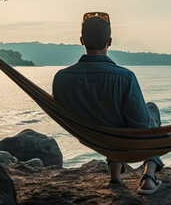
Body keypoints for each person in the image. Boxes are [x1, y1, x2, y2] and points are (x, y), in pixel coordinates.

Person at [52, 12, 163, 195]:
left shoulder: (60, 79)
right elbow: (142, 126)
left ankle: (115, 175)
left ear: (81, 40)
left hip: (91, 137)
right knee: (151, 112)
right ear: (109, 41)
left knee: (106, 112)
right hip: (119, 137)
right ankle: (149, 178)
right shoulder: (125, 78)